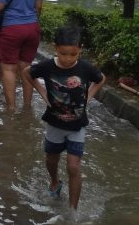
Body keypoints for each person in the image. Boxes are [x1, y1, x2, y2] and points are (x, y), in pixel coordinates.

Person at [21, 26, 106, 210]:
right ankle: (54, 181)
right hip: (54, 124)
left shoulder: (85, 68)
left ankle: (72, 211)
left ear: (80, 49)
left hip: (77, 126)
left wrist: (89, 97)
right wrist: (43, 93)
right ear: (55, 48)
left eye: (73, 54)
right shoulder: (47, 66)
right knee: (51, 159)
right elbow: (27, 72)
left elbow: (101, 79)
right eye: (63, 54)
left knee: (74, 167)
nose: (68, 59)